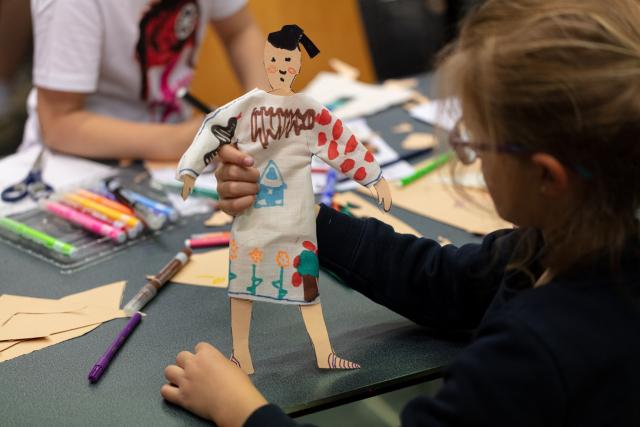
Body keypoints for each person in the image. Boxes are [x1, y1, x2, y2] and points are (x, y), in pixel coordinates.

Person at [161, 0, 640, 425]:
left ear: (547, 178)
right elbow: (447, 282)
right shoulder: (578, 239)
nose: (468, 154)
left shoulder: (530, 356)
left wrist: (242, 411)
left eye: (477, 143)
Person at [176, 24, 391, 374]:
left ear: (297, 64)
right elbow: (214, 129)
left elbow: (340, 141)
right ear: (265, 59)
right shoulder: (248, 106)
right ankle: (241, 355)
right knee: (242, 286)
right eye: (273, 58)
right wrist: (190, 167)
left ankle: (324, 353)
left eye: (287, 60)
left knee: (307, 289)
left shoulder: (309, 111)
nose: (279, 65)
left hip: (296, 219)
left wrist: (374, 176)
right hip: (253, 216)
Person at [20, 0, 267, 161]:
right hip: (75, 164)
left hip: (165, 161)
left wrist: (262, 106)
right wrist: (181, 140)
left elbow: (240, 31)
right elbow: (59, 125)